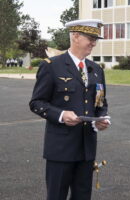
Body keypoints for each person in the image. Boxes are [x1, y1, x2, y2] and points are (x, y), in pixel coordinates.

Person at [29, 19, 110, 200]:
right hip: (60, 149)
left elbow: (100, 103)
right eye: (90, 38)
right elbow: (36, 102)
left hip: (86, 148)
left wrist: (101, 119)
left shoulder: (96, 69)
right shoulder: (52, 66)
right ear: (75, 36)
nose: (94, 43)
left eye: (95, 39)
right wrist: (61, 114)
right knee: (56, 195)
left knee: (83, 196)